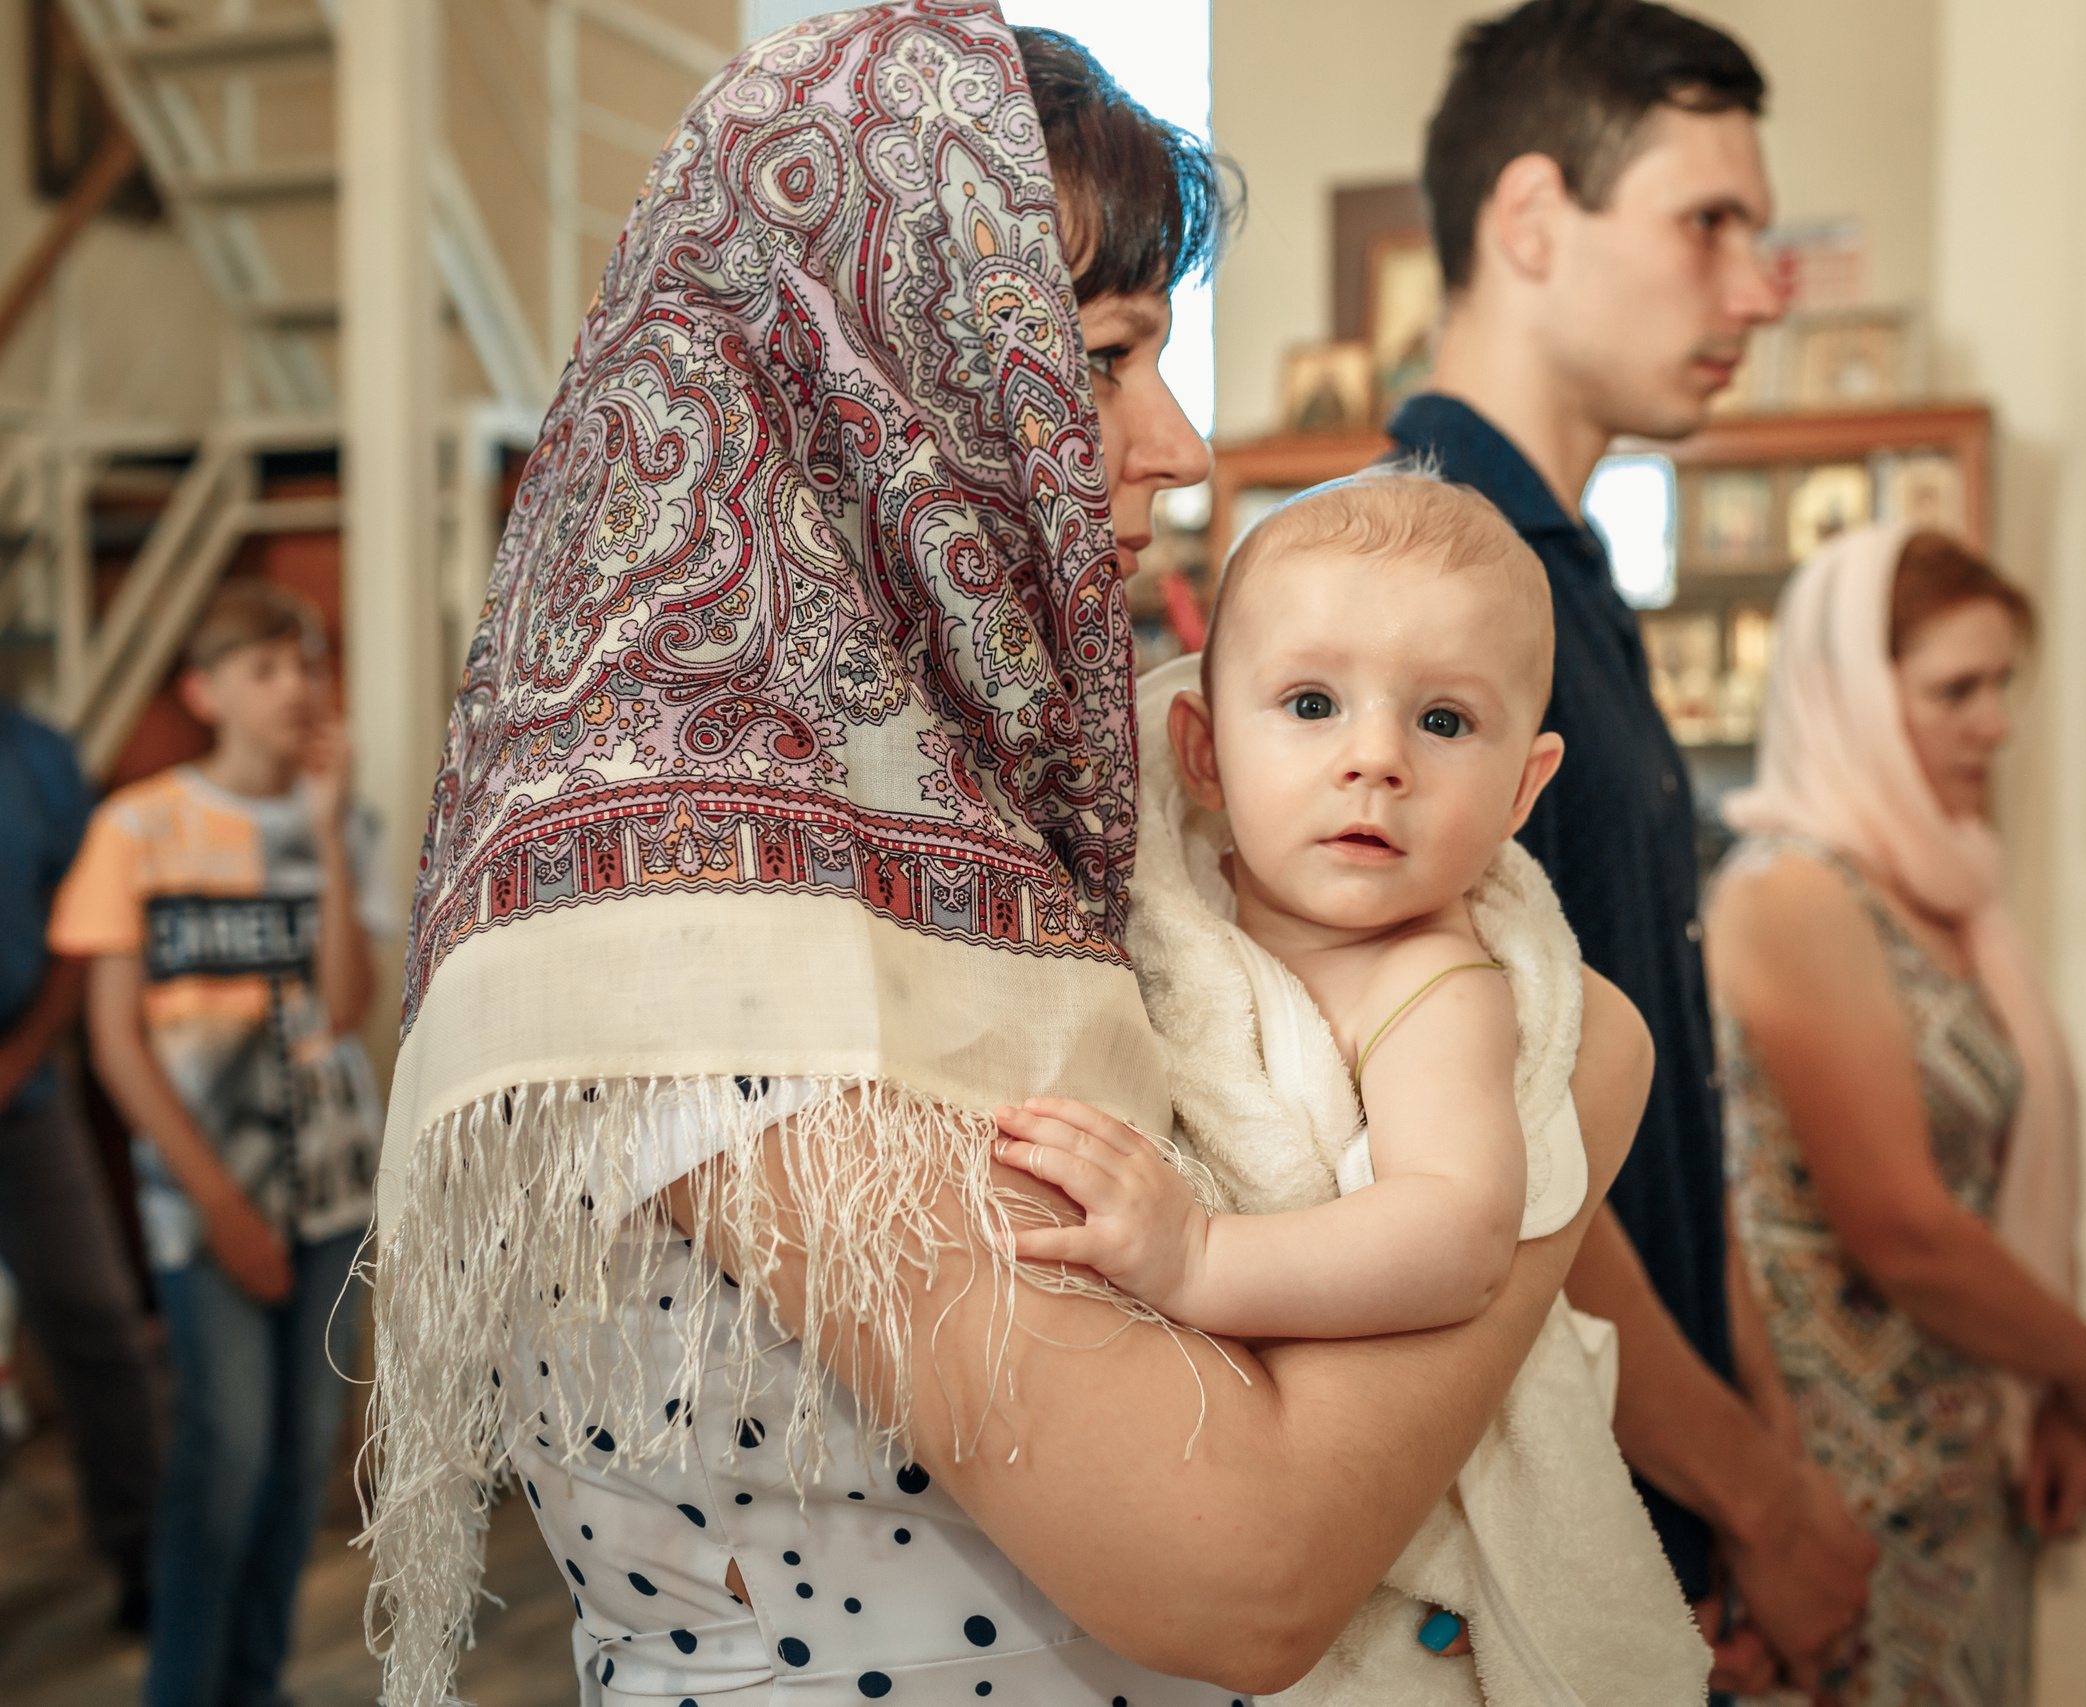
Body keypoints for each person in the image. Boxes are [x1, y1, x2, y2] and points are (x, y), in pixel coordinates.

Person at [359, 11, 1648, 1707]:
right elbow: (1240, 1560)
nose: (1178, 443)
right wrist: (1550, 1112)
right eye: (1103, 361)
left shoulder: (1013, 788)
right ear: (871, 387)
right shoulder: (690, 907)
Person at [998, 472, 1710, 1701]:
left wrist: (1201, 1259)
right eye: (1313, 704)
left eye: (1442, 722)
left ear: (1523, 791)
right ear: (1203, 753)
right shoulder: (1174, 917)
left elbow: (1458, 1230)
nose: (1374, 760)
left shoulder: (1435, 984)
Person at [1392, 0, 1876, 1691]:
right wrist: (1762, 1491)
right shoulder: (1418, 581)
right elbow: (1484, 1145)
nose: (1759, 288)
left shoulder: (1560, 572)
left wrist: (1745, 1465)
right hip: (1537, 1518)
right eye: (1710, 223)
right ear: (1532, 220)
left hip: (1652, 1478)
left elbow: (1655, 1104)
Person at [1710, 526, 2086, 1704]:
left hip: (1961, 1436)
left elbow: (1998, 1166)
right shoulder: (1793, 894)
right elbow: (1901, 1225)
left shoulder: (1938, 883)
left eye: (2003, 685)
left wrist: (2042, 1387)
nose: (1995, 723)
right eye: (1955, 689)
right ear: (1841, 694)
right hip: (1854, 1464)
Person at [50, 580, 390, 1707]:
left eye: (307, 663)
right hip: (203, 1203)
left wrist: (333, 834)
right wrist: (224, 1206)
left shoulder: (348, 820)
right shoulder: (135, 828)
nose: (296, 686)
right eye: (265, 668)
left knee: (300, 1461)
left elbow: (345, 1006)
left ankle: (255, 1684)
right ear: (204, 693)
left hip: (333, 1191)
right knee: (224, 1457)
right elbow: (113, 1046)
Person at [0, 699, 162, 1631]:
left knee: (99, 1324)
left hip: (23, 1095)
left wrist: (23, 1055)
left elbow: (82, 916)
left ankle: (140, 1555)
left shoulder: (38, 756)